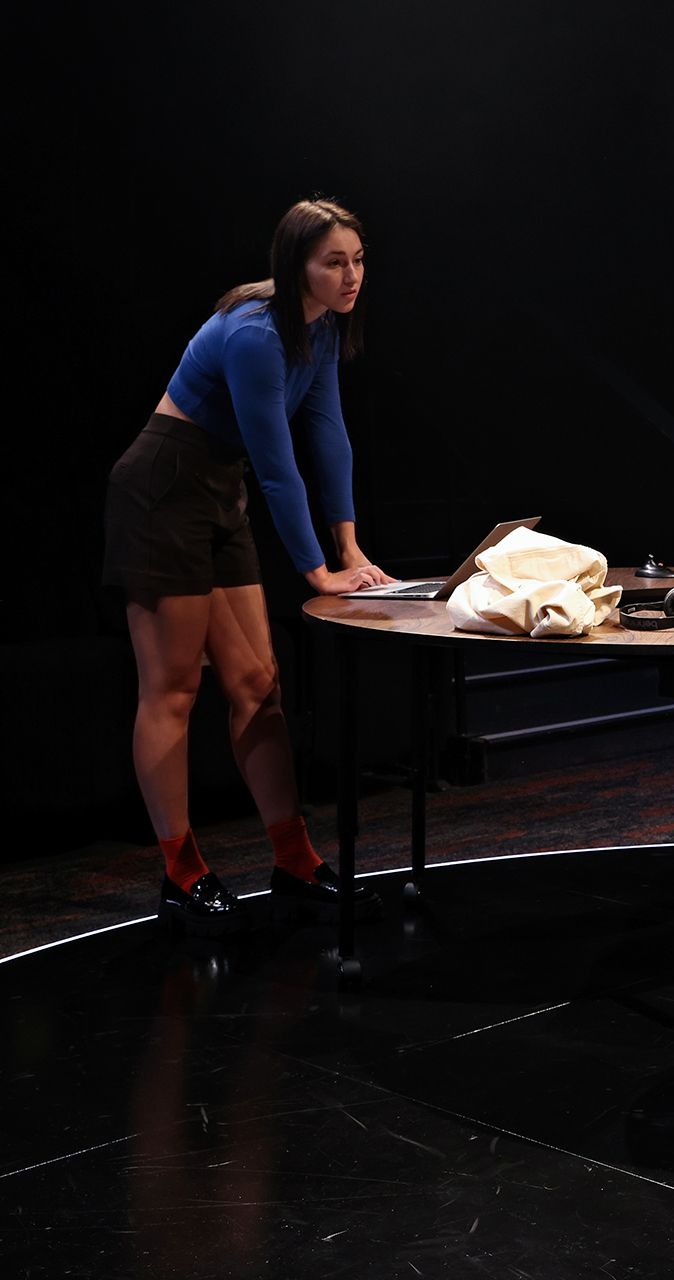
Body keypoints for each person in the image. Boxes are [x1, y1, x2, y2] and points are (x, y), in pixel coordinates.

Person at [103, 197, 396, 937]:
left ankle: (294, 861)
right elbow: (276, 465)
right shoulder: (256, 332)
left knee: (258, 685)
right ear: (296, 264)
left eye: (359, 260)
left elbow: (328, 433)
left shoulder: (321, 326)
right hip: (163, 486)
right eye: (334, 262)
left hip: (217, 487)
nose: (352, 275)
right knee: (173, 688)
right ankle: (181, 873)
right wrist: (315, 572)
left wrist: (349, 548)